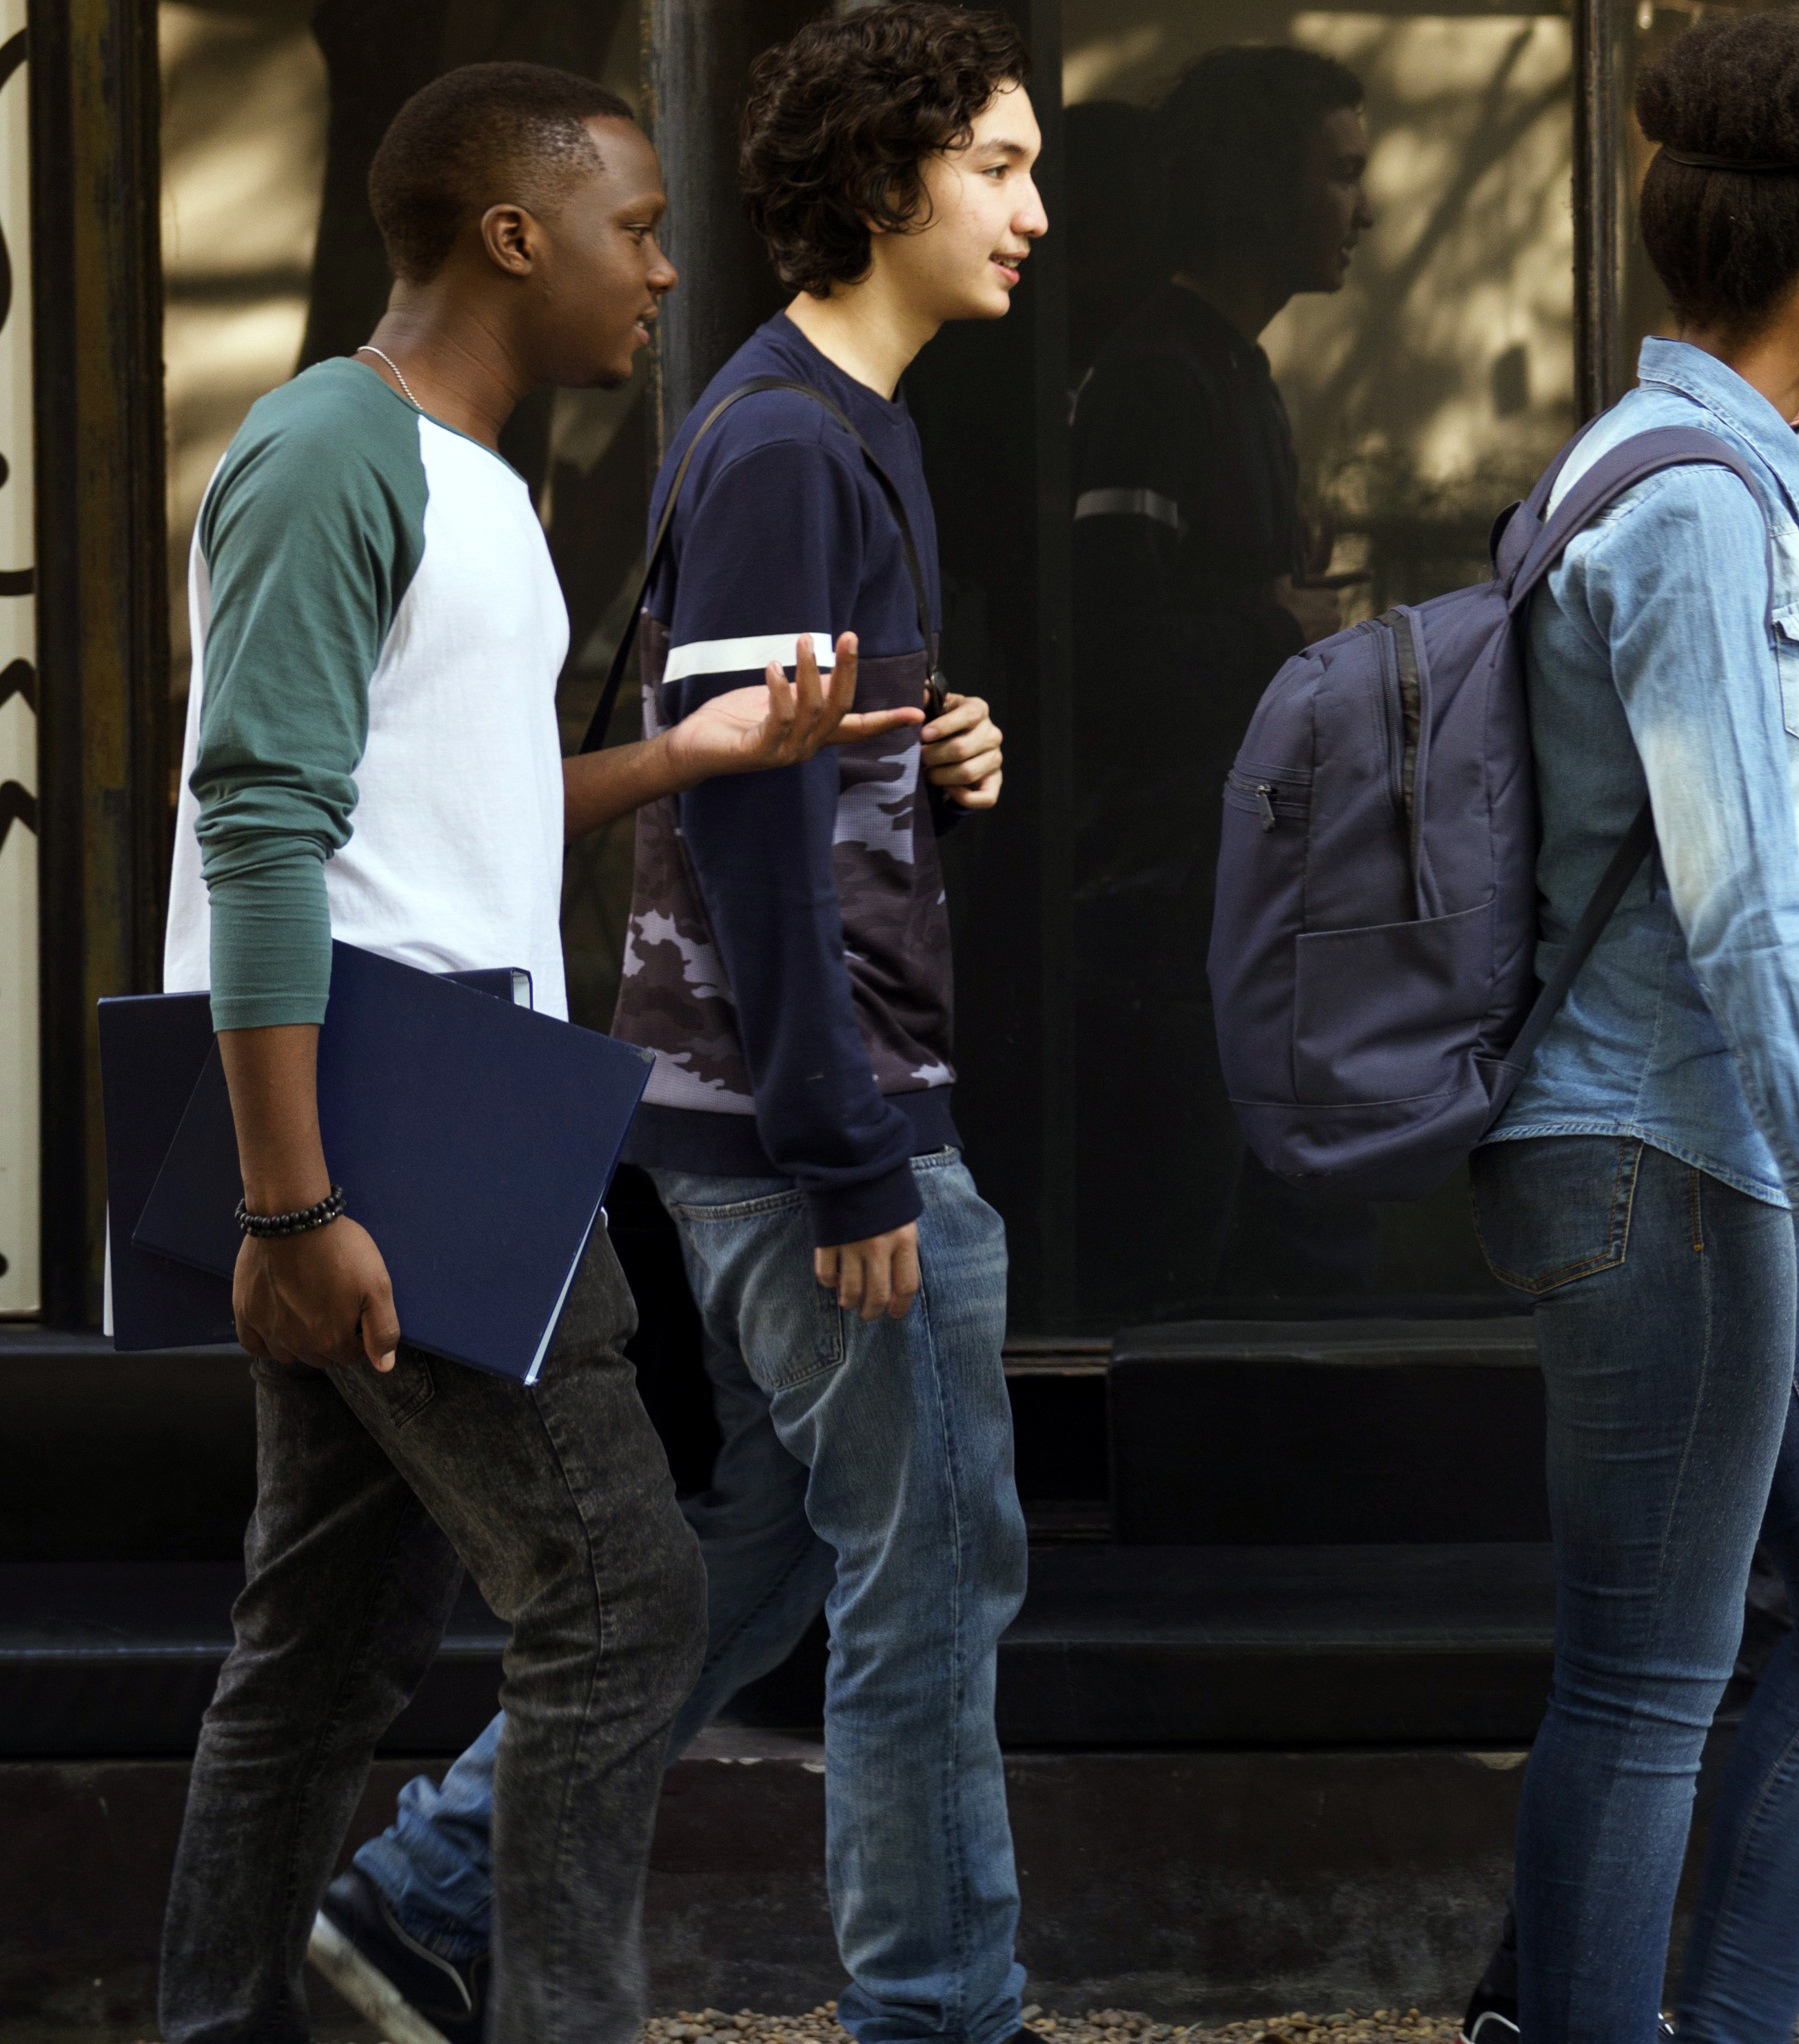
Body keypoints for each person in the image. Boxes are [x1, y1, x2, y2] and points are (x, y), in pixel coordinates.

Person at [302, 15, 1047, 2044]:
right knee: (934, 1589)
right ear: (888, 185)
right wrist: (846, 1147)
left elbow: (798, 767)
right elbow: (736, 819)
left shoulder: (832, 424)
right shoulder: (797, 438)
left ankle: (412, 1899)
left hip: (784, 1115)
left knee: (797, 1549)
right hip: (820, 1125)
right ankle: (940, 2014)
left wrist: (934, 741)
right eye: (998, 166)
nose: (1033, 212)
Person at [155, 59, 912, 2044]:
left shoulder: (471, 477)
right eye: (636, 227)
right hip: (395, 1095)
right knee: (622, 1596)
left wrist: (690, 751)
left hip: (421, 1078)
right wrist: (288, 1195)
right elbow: (263, 829)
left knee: (321, 1641)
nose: (665, 267)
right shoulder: (336, 450)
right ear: (514, 234)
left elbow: (443, 802)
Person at [1477, 13, 1799, 2041]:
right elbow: (1751, 912)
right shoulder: (1691, 507)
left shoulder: (1670, 465)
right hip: (1657, 1154)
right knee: (1645, 1674)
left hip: (1691, 1147)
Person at [1064, 41, 1382, 1310]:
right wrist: (1277, 624)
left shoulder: (1232, 372)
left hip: (1239, 898)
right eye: (1340, 174)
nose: (1366, 210)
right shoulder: (1158, 379)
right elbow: (1106, 643)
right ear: (1260, 189)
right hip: (1170, 917)